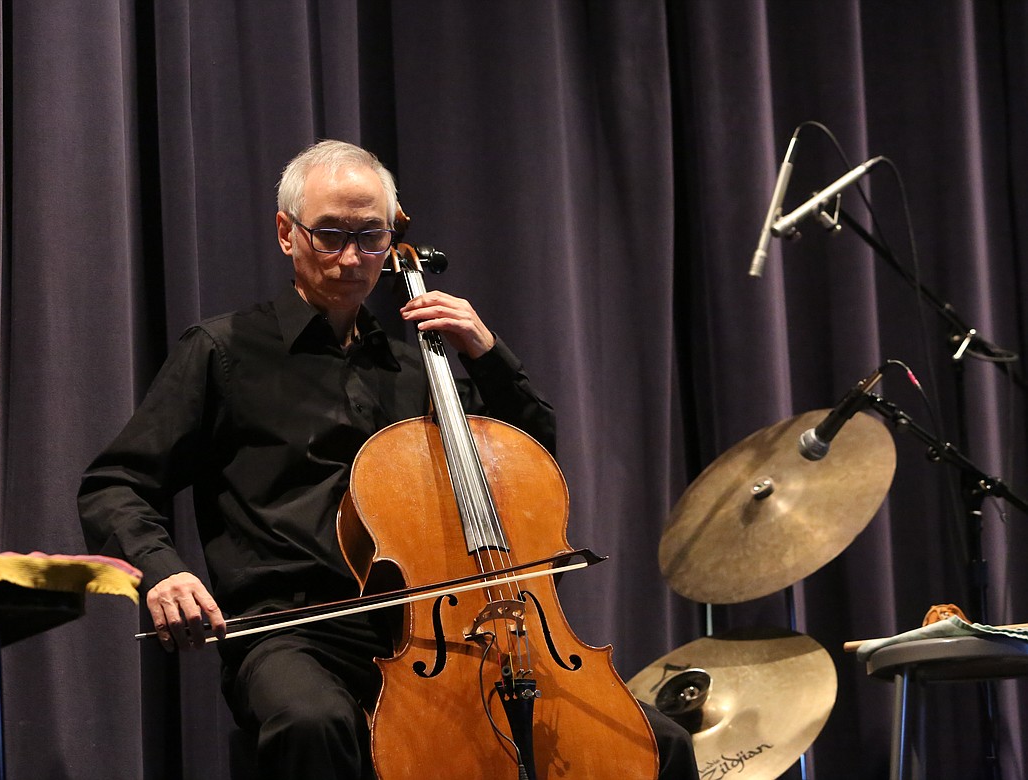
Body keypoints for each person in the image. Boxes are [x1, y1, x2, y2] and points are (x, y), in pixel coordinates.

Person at [78, 139, 697, 779]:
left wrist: (488, 356)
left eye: (370, 237)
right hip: (296, 634)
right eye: (330, 235)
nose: (352, 258)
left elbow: (525, 467)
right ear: (286, 233)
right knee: (313, 722)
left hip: (442, 635)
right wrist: (163, 572)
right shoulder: (223, 352)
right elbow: (116, 484)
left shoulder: (414, 369)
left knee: (659, 742)